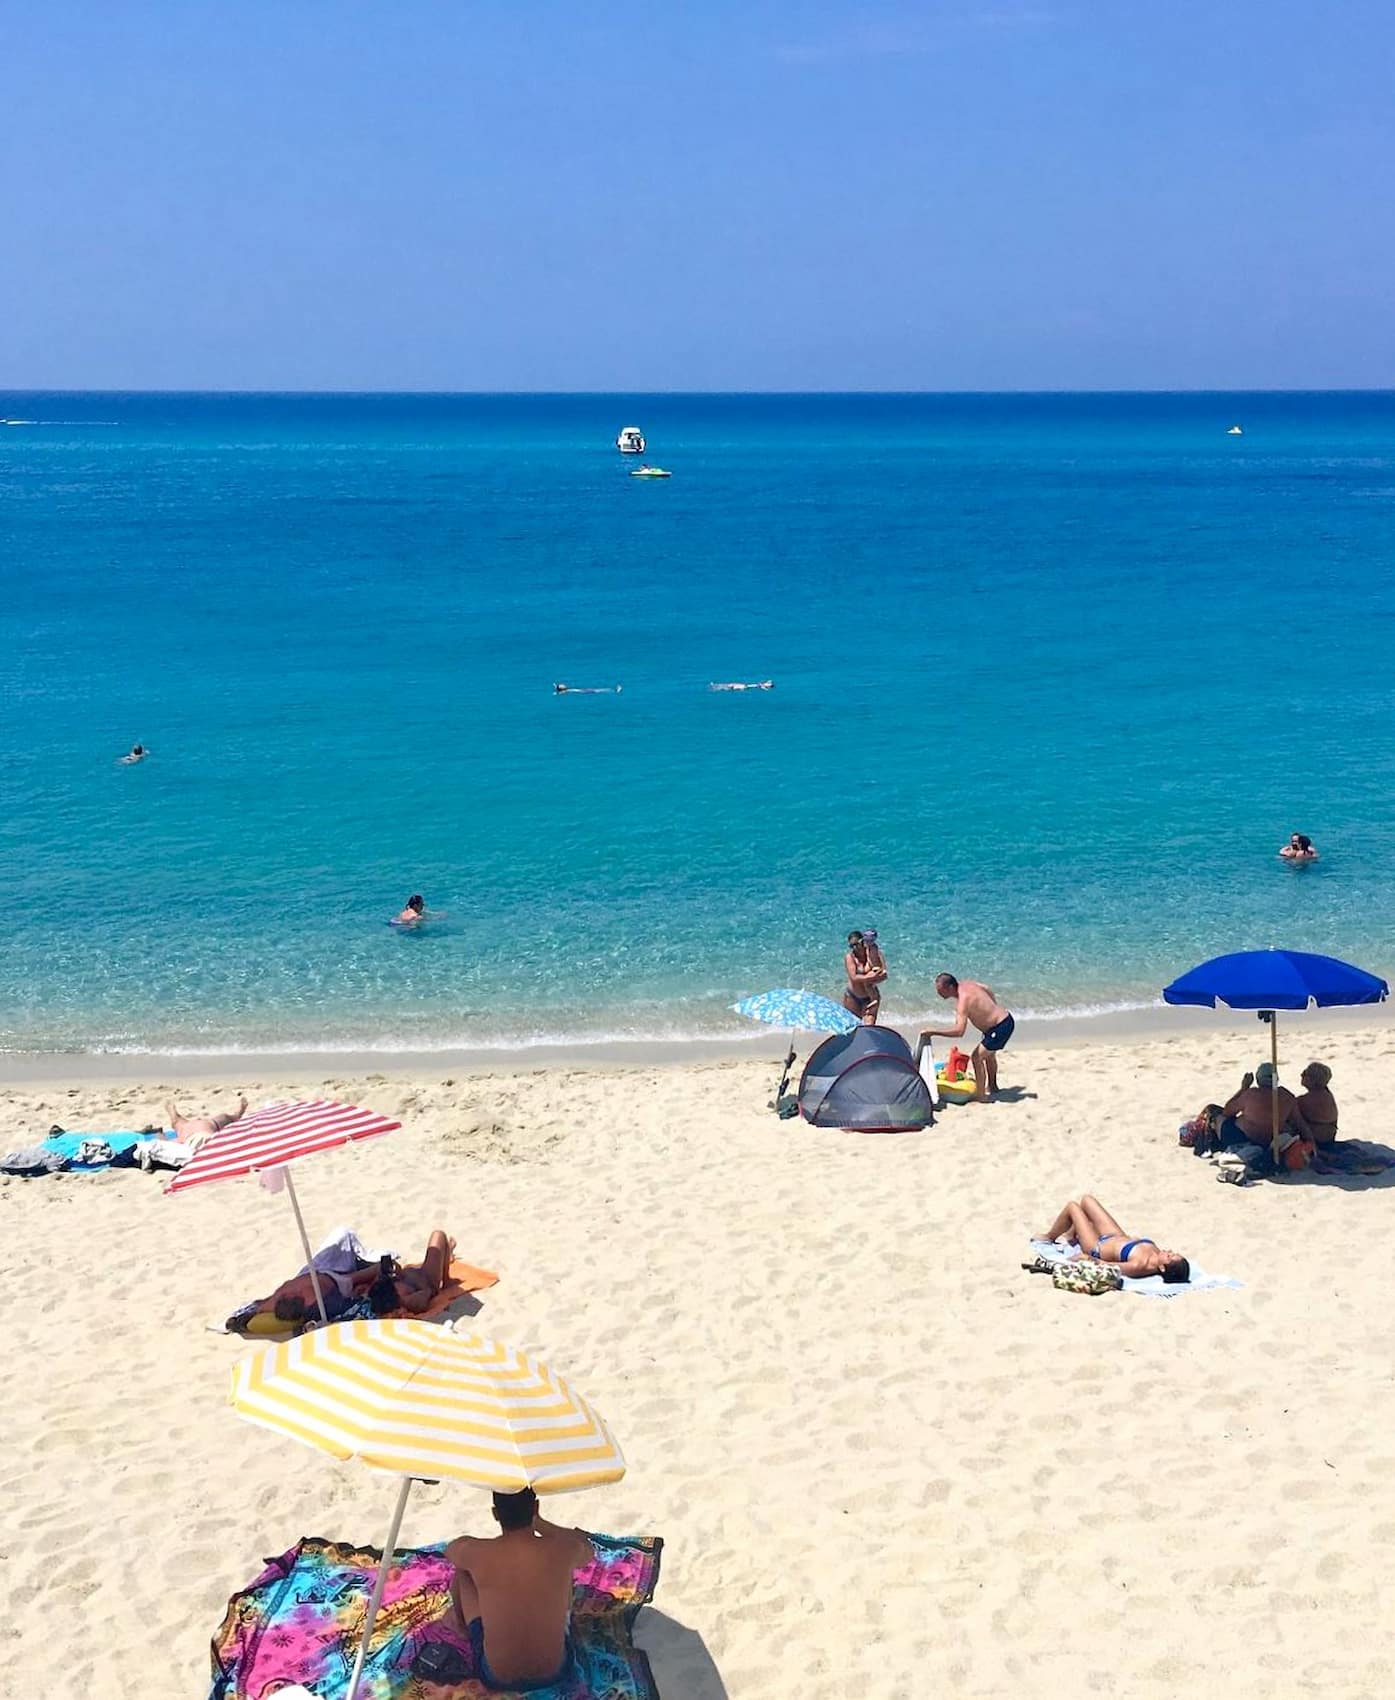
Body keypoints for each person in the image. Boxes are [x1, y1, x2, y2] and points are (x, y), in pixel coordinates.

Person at [440, 1486, 592, 1690]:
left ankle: (460, 1625)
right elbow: (586, 1548)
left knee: (464, 1571)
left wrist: (473, 1546)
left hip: (496, 1676)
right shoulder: (561, 1548)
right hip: (556, 1671)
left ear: (495, 1513)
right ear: (535, 1507)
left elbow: (451, 1550)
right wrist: (539, 1522)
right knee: (563, 1569)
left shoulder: (479, 1553)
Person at [1038, 1195, 1191, 1283]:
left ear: (1162, 1268)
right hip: (1115, 1235)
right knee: (1087, 1200)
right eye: (1173, 1252)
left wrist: (1087, 1258)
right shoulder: (1156, 1254)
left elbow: (1109, 1266)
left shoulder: (1139, 1266)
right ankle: (1071, 1234)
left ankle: (1049, 1237)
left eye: (1170, 1256)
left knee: (1073, 1207)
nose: (1169, 1251)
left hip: (1096, 1247)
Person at [920, 973, 1014, 1100]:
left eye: (940, 990)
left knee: (976, 1057)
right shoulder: (968, 984)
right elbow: (987, 988)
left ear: (950, 987)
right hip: (1004, 1020)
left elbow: (959, 1031)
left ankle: (981, 1096)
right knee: (989, 1055)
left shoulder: (962, 1002)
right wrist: (993, 1008)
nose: (938, 993)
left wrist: (934, 1032)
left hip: (1000, 1027)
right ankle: (993, 1087)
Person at [1219, 1061, 1312, 1149]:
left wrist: (1243, 1088)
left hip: (1245, 1138)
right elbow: (1300, 1123)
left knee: (1217, 1116)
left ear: (1258, 1079)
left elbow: (1227, 1112)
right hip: (1272, 1140)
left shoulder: (1251, 1094)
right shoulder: (1287, 1096)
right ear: (1277, 1079)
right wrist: (1311, 1142)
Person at [366, 1229, 455, 1315]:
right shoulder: (408, 1301)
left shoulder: (380, 1290)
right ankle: (447, 1280)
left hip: (411, 1275)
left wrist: (398, 1272)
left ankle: (447, 1253)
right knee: (438, 1235)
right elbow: (428, 1291)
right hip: (427, 1276)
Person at [166, 1094, 247, 1150]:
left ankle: (175, 1118)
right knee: (224, 1117)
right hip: (206, 1132)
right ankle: (236, 1115)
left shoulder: (184, 1141)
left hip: (191, 1137)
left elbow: (170, 1145)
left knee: (180, 1124)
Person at [842, 930, 883, 1024]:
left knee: (869, 1027)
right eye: (851, 946)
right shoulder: (850, 957)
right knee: (851, 1028)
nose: (855, 948)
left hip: (869, 998)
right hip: (852, 997)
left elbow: (884, 974)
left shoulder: (874, 953)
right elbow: (854, 978)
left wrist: (875, 978)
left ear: (863, 941)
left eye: (857, 944)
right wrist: (870, 977)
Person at [1296, 1061, 1338, 1144]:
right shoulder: (1327, 1095)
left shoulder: (1308, 1100)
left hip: (1316, 1141)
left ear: (1313, 1079)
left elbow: (1288, 1107)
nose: (1301, 1075)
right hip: (1328, 1139)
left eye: (1305, 1073)